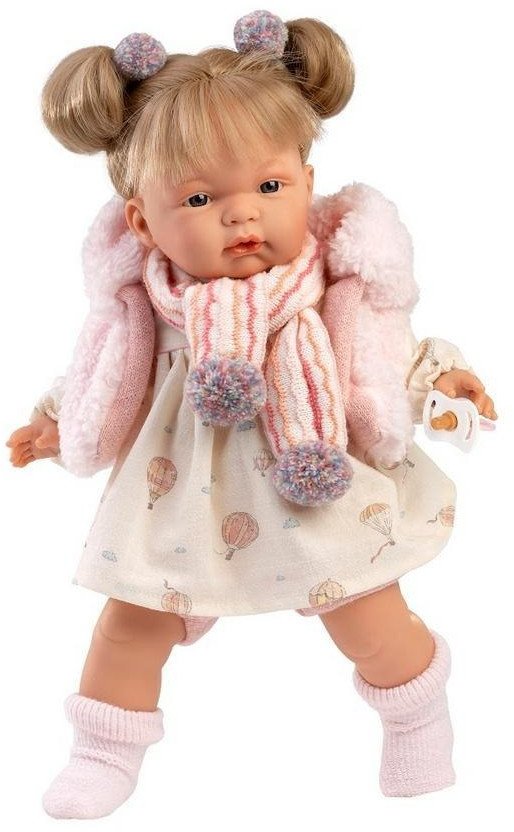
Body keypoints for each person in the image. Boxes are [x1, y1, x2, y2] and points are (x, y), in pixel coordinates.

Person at [5, 11, 497, 820]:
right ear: (141, 220)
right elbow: (106, 377)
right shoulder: (147, 307)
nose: (242, 215)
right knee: (128, 627)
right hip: (174, 502)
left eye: (269, 187)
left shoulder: (333, 292)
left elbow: (383, 358)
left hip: (316, 488)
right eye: (200, 197)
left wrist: (443, 379)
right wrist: (60, 421)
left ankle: (417, 717)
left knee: (370, 617)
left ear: (306, 179)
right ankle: (103, 751)